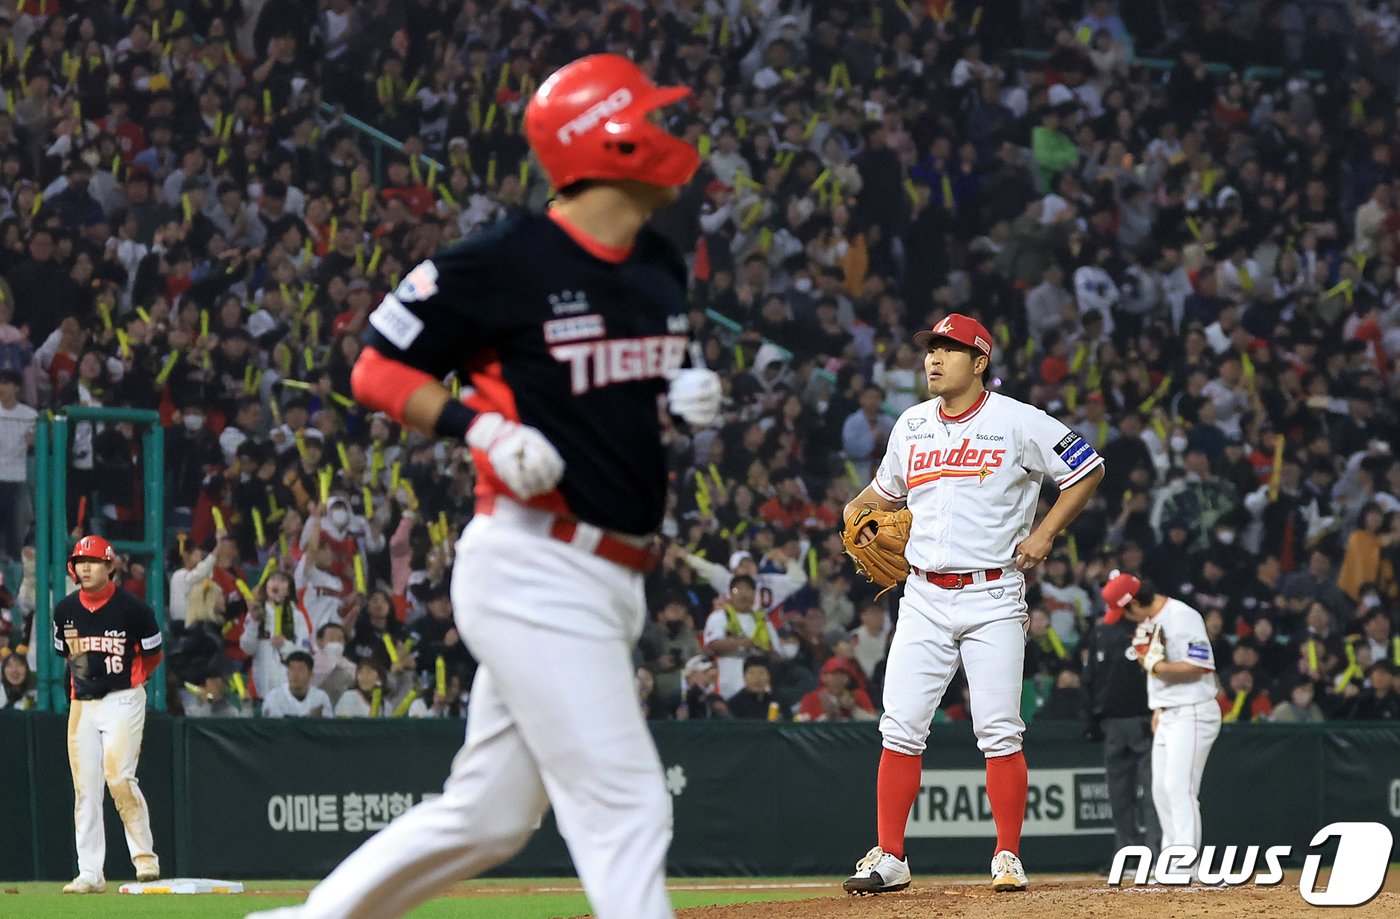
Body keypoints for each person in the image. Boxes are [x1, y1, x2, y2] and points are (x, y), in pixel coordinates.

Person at [249, 55, 717, 919]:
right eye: (651, 118)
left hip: (612, 575)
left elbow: (618, 384)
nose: (670, 133)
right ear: (606, 138)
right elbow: (377, 369)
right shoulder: (503, 259)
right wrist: (483, 428)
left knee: (490, 816)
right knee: (627, 804)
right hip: (535, 561)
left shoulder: (658, 262)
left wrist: (680, 390)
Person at [842, 314, 1104, 895]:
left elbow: (1088, 469)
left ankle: (1007, 855)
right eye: (930, 349)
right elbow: (880, 495)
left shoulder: (1018, 421)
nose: (934, 359)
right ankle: (890, 857)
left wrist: (1047, 532)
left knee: (999, 731)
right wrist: (850, 513)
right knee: (901, 727)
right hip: (924, 595)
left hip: (993, 594)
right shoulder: (911, 425)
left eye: (948, 350)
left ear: (979, 361)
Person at [52, 535, 163, 893]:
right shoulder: (65, 610)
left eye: (94, 561)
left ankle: (144, 858)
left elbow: (153, 655)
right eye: (80, 561)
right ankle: (90, 873)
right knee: (85, 788)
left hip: (123, 698)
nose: (85, 567)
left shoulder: (134, 609)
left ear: (110, 566)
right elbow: (64, 654)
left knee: (119, 778)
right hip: (82, 703)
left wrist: (135, 680)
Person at [1100, 571, 1221, 881]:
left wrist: (1159, 667)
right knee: (1161, 790)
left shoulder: (1182, 616)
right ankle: (1171, 860)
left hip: (1193, 710)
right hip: (1169, 713)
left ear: (1136, 602)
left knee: (1181, 789)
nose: (1126, 618)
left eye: (1125, 610)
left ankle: (1186, 866)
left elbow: (1201, 665)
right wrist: (1159, 706)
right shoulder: (1149, 620)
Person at [1081, 601, 1161, 858]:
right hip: (1131, 722)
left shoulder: (1119, 632)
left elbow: (1089, 680)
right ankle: (1144, 852)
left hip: (1135, 721)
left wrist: (1090, 721)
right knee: (1135, 793)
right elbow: (1090, 678)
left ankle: (1142, 852)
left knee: (1140, 792)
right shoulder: (1107, 632)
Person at [260, 651, 333, 718]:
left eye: (300, 669)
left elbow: (326, 728)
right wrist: (310, 720)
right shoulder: (274, 697)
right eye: (292, 669)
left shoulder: (321, 697)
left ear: (311, 674)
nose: (295, 674)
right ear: (287, 673)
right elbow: (273, 729)